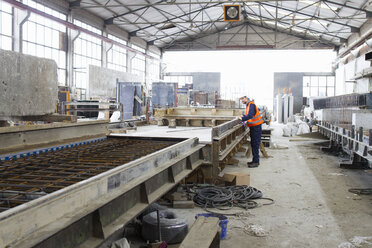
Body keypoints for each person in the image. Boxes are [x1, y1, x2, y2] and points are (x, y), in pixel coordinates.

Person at [239, 96, 263, 168]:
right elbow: (249, 115)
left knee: (255, 144)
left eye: (242, 99)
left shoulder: (251, 104)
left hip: (256, 127)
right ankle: (255, 160)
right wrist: (243, 116)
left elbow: (250, 115)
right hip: (254, 127)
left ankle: (256, 162)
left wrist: (242, 118)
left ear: (246, 98)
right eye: (241, 100)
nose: (241, 101)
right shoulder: (248, 105)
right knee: (253, 144)